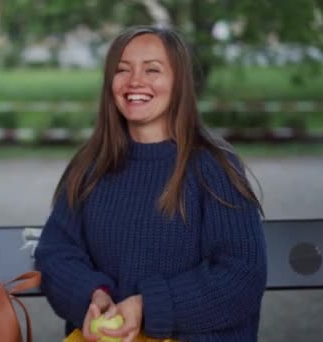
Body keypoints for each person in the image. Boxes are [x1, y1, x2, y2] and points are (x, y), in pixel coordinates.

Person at [35, 26, 267, 342]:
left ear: (179, 83)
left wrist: (148, 306)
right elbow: (55, 251)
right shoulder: (90, 167)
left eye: (152, 70)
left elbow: (241, 275)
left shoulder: (214, 168)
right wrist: (92, 294)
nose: (135, 82)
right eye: (122, 70)